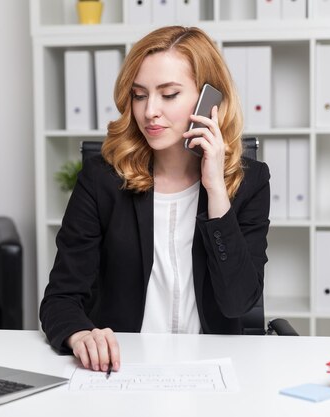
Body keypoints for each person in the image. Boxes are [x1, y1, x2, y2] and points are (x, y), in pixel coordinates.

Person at [39, 26, 270, 374]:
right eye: (140, 95)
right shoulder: (101, 180)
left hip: (210, 370)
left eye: (169, 94)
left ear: (211, 101)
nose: (150, 112)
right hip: (122, 367)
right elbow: (60, 298)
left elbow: (238, 303)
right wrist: (79, 334)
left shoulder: (249, 182)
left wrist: (216, 193)